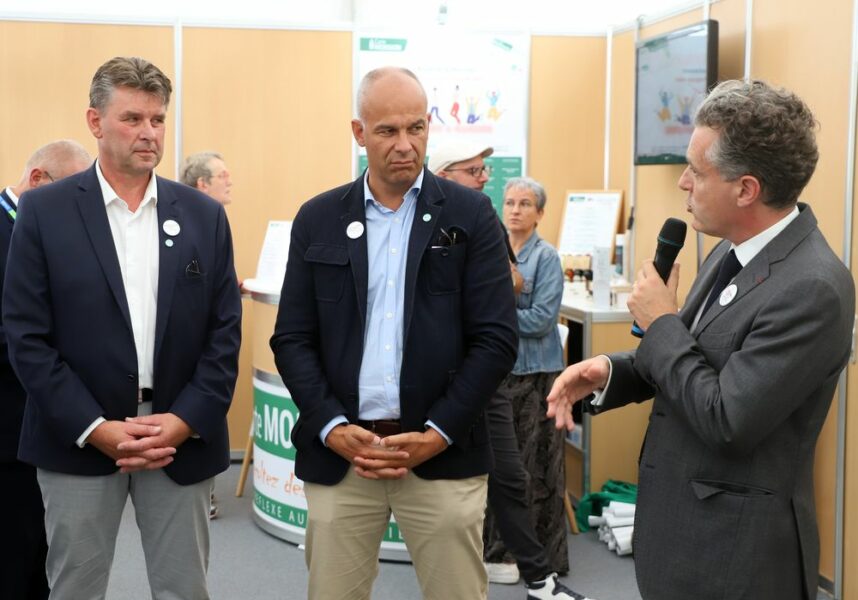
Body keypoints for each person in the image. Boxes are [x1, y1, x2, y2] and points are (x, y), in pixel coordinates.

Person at [547, 79, 855, 600]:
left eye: (696, 170)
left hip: (736, 559)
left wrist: (662, 321)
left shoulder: (813, 287)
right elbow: (694, 358)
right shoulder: (729, 250)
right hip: (682, 537)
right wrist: (613, 371)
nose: (684, 183)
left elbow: (727, 417)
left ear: (746, 189)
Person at [269, 66, 517, 600]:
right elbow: (292, 338)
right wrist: (332, 426)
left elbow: (496, 339)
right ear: (359, 133)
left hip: (442, 454)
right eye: (387, 132)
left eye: (415, 129)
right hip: (344, 456)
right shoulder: (317, 219)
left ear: (429, 126)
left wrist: (438, 433)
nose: (404, 145)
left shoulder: (471, 215)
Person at [3, 56, 242, 600]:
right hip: (79, 439)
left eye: (157, 120)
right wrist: (95, 427)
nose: (148, 133)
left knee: (185, 588)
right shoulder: (45, 212)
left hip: (178, 440)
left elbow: (224, 331)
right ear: (95, 121)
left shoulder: (204, 216)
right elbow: (26, 336)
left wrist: (184, 419)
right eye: (133, 118)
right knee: (75, 588)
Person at [431, 144, 596, 600]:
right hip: (438, 375)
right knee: (440, 484)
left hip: (491, 373)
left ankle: (540, 580)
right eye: (475, 170)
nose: (486, 178)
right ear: (444, 173)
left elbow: (513, 285)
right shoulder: (420, 221)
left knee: (512, 475)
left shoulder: (484, 220)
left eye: (486, 170)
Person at [0, 140, 91, 600]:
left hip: (46, 429)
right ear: (38, 180)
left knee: (42, 557)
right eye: (70, 189)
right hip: (8, 431)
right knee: (13, 560)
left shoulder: (42, 231)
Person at [180, 150, 235, 520]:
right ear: (203, 183)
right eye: (223, 175)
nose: (230, 181)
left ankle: (207, 493)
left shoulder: (213, 220)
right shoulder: (186, 221)